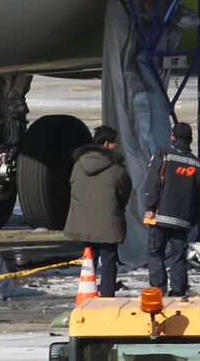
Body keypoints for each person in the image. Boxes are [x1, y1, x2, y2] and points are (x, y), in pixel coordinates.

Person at [64, 125, 133, 298]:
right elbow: (125, 192)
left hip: (83, 221)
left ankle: (87, 295)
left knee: (89, 259)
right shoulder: (116, 168)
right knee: (109, 260)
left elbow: (72, 186)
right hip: (108, 222)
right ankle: (107, 299)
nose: (116, 146)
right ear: (107, 143)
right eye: (114, 142)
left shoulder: (79, 164)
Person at [144, 121, 200, 296]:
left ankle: (158, 290)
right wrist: (193, 220)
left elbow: (153, 182)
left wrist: (150, 205)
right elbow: (197, 194)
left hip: (160, 215)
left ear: (173, 137)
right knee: (178, 257)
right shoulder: (198, 164)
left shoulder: (164, 154)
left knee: (156, 253)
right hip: (182, 219)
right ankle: (178, 291)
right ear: (191, 139)